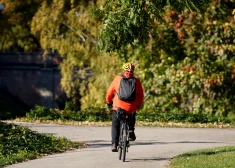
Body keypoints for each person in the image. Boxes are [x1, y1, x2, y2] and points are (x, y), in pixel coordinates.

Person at [106, 62, 144, 152]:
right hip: (131, 107)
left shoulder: (117, 79)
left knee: (115, 124)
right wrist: (138, 105)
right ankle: (130, 129)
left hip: (118, 107)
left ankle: (114, 144)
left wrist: (108, 102)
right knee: (132, 115)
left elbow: (109, 93)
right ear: (133, 71)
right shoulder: (136, 81)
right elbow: (141, 95)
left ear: (123, 70)